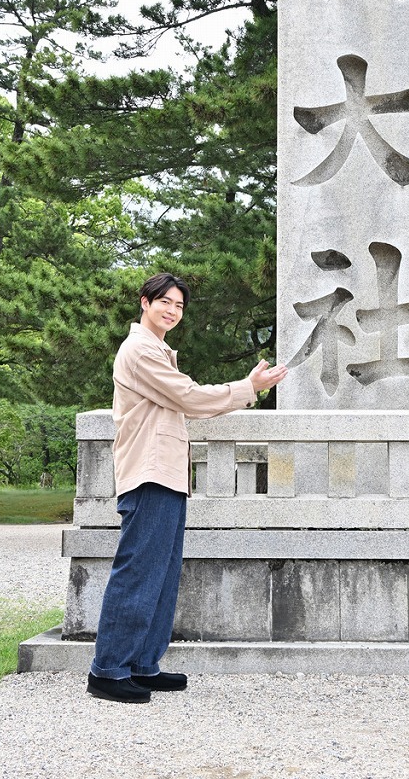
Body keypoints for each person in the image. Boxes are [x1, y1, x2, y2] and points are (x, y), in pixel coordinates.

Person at [87, 272, 287, 703]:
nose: (172, 311)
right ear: (145, 302)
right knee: (140, 572)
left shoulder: (156, 350)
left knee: (161, 574)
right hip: (149, 472)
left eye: (179, 306)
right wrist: (246, 388)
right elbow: (190, 398)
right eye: (165, 302)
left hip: (166, 473)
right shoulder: (140, 350)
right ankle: (108, 670)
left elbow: (184, 403)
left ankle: (141, 665)